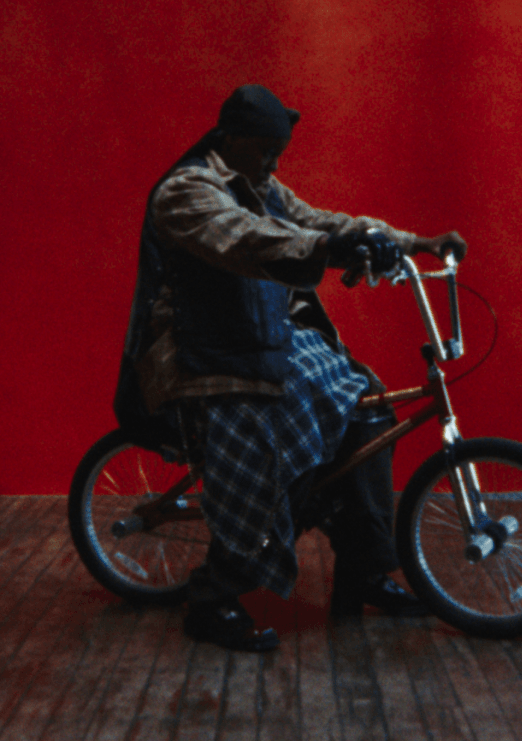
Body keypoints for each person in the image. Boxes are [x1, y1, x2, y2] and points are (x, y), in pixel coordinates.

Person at [114, 85, 467, 651]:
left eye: (278, 153)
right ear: (231, 139)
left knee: (368, 409)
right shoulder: (186, 192)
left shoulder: (263, 187)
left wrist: (413, 242)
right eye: (266, 151)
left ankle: (364, 569)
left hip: (259, 337)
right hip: (200, 353)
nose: (274, 165)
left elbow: (320, 219)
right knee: (262, 438)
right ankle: (213, 597)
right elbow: (247, 238)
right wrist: (327, 249)